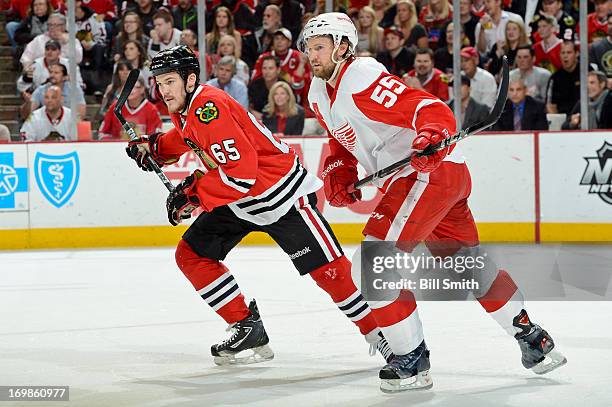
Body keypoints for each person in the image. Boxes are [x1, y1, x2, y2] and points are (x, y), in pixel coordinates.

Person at [300, 12, 565, 393]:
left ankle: (411, 360)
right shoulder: (317, 92)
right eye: (308, 47)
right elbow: (341, 140)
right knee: (465, 263)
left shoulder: (360, 77)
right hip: (443, 178)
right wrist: (338, 170)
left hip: (427, 173)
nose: (312, 54)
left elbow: (430, 109)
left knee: (377, 260)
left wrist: (430, 136)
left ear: (343, 47)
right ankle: (532, 337)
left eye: (320, 47)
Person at [125, 45, 392, 367]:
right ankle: (246, 326)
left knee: (330, 273)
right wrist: (156, 147)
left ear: (190, 78)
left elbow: (242, 176)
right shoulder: (187, 107)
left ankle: (384, 335)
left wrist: (193, 194)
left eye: (169, 81)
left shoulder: (210, 107)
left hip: (280, 197)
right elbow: (190, 136)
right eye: (159, 82)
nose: (163, 90)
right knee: (192, 254)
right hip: (240, 200)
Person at [17, 39, 83, 94]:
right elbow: (20, 85)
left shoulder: (69, 65)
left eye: (53, 49)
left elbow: (79, 85)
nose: (50, 52)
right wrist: (26, 79)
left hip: (65, 96)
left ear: (59, 52)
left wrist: (70, 81)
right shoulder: (35, 65)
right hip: (41, 97)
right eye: (47, 49)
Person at [548, 40, 580, 114]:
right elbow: (550, 105)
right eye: (563, 53)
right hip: (563, 120)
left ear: (577, 54)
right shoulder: (555, 78)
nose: (565, 56)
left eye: (569, 52)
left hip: (586, 118)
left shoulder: (587, 71)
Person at [248, 55, 283, 120]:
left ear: (278, 70)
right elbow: (249, 107)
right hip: (258, 121)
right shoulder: (254, 86)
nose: (267, 72)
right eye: (264, 68)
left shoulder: (284, 86)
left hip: (280, 121)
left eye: (270, 68)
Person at [588, 13, 612, 80]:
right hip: (602, 86)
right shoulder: (596, 46)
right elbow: (593, 71)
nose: (611, 27)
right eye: (610, 24)